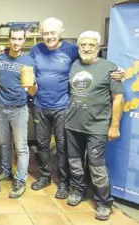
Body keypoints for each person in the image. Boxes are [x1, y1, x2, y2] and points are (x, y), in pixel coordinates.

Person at [29, 18, 125, 199]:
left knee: (63, 147)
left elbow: (93, 59)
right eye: (46, 33)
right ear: (41, 34)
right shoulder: (36, 50)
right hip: (41, 105)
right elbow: (24, 64)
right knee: (41, 144)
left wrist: (118, 69)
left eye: (53, 33)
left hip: (63, 107)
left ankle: (65, 184)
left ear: (61, 33)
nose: (49, 37)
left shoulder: (72, 49)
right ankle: (45, 177)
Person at [65, 31, 123, 221]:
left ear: (98, 48)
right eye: (83, 45)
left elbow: (118, 98)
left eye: (92, 45)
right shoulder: (74, 65)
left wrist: (114, 126)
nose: (87, 48)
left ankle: (104, 202)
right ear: (79, 47)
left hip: (97, 126)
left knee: (96, 166)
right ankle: (79, 191)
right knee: (74, 162)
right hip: (72, 124)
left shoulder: (110, 68)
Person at [0, 26, 37, 198]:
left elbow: (33, 92)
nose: (16, 42)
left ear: (24, 41)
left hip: (19, 109)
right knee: (4, 144)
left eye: (20, 39)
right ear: (8, 40)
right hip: (0, 107)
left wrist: (32, 84)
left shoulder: (29, 62)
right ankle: (5, 171)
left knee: (21, 147)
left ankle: (20, 179)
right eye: (13, 39)